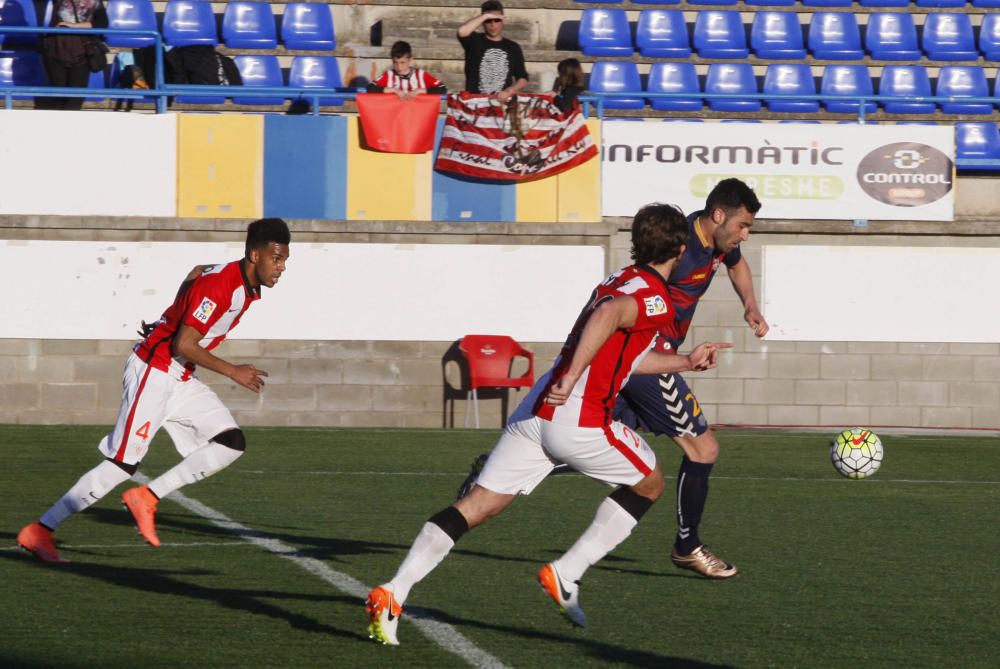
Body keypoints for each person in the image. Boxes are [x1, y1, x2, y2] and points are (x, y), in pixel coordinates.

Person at [364, 204, 731, 645]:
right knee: (649, 482)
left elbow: (628, 353)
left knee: (478, 506)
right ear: (680, 246)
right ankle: (567, 572)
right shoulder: (654, 296)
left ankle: (394, 591)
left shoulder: (617, 278)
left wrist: (686, 360)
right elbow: (608, 317)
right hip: (579, 415)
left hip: (537, 411)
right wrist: (575, 375)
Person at [16, 218, 291, 563]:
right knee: (121, 465)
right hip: (155, 369)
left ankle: (147, 497)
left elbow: (195, 272)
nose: (281, 268)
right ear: (254, 255)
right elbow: (185, 343)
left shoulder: (237, 279)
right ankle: (41, 529)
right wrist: (232, 370)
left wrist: (172, 314)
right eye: (276, 259)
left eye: (284, 261)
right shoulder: (223, 286)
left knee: (230, 442)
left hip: (177, 375)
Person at [615, 178, 766, 580]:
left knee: (599, 440)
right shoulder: (678, 245)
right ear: (718, 216)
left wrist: (750, 306)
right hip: (651, 358)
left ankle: (506, 467)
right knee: (704, 449)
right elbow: (636, 288)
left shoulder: (720, 243)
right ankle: (687, 546)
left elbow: (738, 267)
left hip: (645, 358)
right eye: (742, 226)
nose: (745, 236)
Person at [36, 0, 108, 111]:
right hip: (55, 49)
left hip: (82, 51)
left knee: (75, 100)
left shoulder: (94, 2)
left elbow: (102, 23)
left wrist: (74, 26)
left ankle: (71, 126)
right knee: (57, 96)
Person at [456, 0, 529, 102]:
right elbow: (462, 32)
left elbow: (523, 78)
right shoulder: (475, 41)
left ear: (503, 20)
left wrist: (510, 90)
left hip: (502, 104)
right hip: (475, 104)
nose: (493, 25)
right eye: (488, 21)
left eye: (496, 20)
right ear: (482, 22)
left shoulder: (513, 47)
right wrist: (484, 16)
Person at [367, 40, 446, 99]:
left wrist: (419, 91)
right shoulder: (389, 75)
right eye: (395, 62)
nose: (399, 67)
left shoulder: (421, 75)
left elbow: (442, 88)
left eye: (402, 63)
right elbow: (370, 88)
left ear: (410, 60)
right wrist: (394, 90)